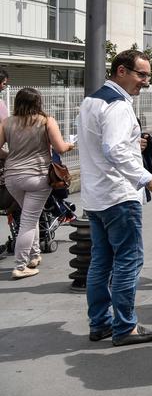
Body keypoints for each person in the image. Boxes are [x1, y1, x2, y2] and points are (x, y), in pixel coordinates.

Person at [79, 50, 152, 345]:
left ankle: (100, 323)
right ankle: (125, 327)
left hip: (95, 195)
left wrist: (136, 141)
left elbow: (104, 144)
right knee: (128, 261)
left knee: (100, 263)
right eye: (141, 74)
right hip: (118, 195)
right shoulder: (118, 105)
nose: (145, 81)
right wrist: (149, 179)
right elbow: (114, 149)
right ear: (121, 71)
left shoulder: (92, 100)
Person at [0, 88, 75, 279]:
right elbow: (60, 147)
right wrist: (70, 144)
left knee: (28, 216)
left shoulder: (6, 123)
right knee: (28, 220)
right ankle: (20, 265)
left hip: (12, 177)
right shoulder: (46, 121)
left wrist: (11, 156)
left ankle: (34, 256)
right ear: (38, 102)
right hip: (38, 177)